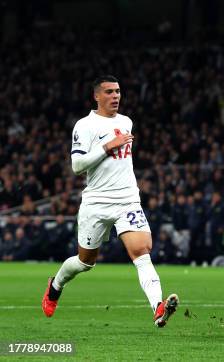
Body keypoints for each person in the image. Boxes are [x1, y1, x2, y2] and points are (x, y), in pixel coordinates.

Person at [41, 75, 179, 327]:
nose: (115, 96)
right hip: (96, 202)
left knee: (142, 251)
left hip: (127, 198)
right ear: (96, 96)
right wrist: (108, 146)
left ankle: (158, 308)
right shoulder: (85, 125)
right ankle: (56, 285)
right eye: (109, 92)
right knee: (85, 262)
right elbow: (77, 165)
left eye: (117, 91)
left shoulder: (127, 122)